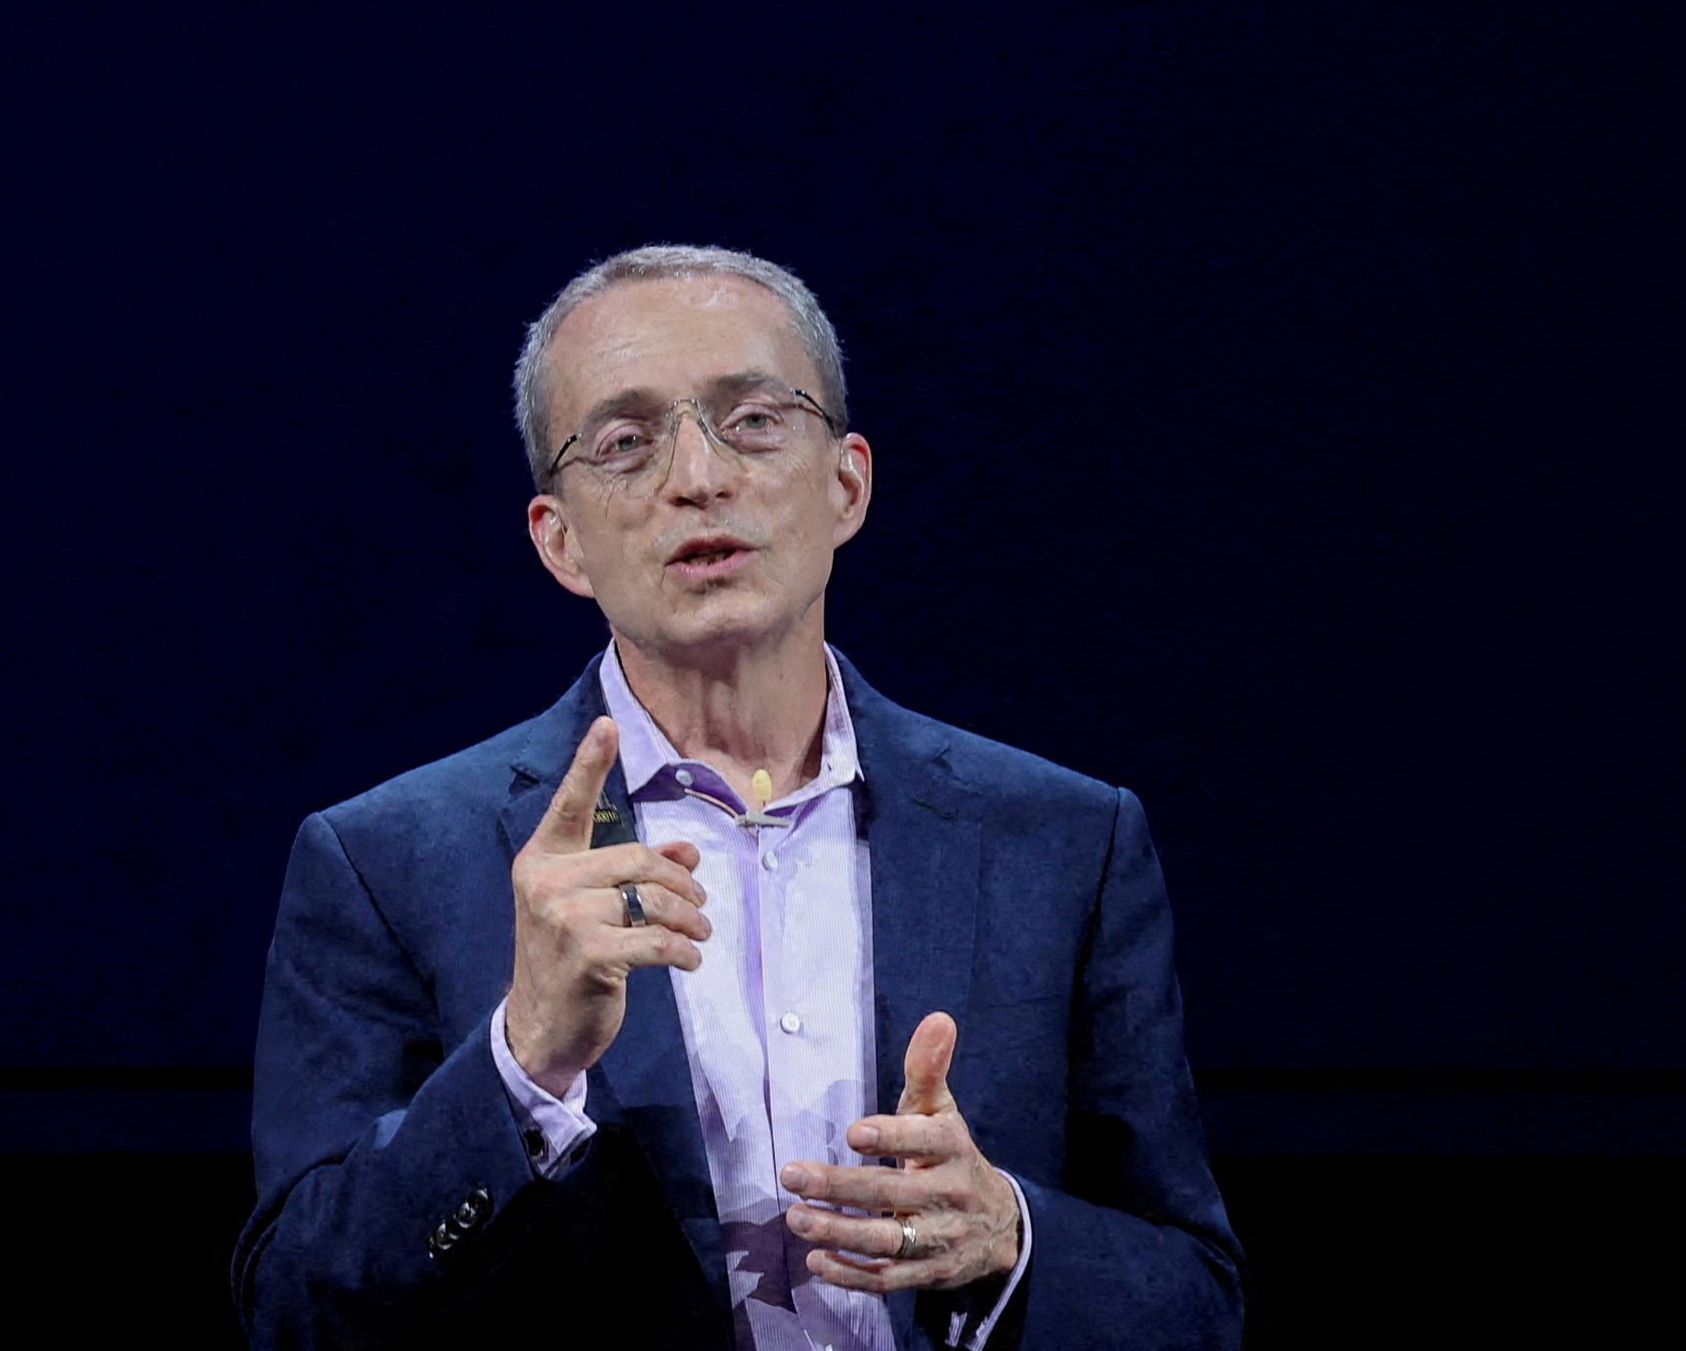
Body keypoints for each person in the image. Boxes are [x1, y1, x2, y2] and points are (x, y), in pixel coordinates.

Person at [234, 246, 1240, 1349]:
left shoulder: (1064, 839)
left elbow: (1193, 1299)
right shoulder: (387, 862)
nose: (697, 476)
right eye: (623, 443)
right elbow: (297, 1310)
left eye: (753, 419)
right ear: (559, 539)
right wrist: (522, 1065)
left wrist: (1007, 1238)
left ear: (845, 482)